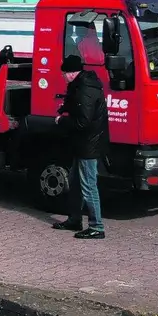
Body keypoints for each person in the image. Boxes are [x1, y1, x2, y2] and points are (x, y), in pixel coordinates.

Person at [52, 53, 107, 239]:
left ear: (71, 72)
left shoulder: (85, 89)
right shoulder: (81, 85)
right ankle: (74, 219)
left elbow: (83, 121)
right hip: (83, 143)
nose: (63, 77)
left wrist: (62, 120)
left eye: (64, 73)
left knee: (88, 185)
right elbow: (75, 104)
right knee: (75, 182)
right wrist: (64, 108)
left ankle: (97, 227)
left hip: (88, 145)